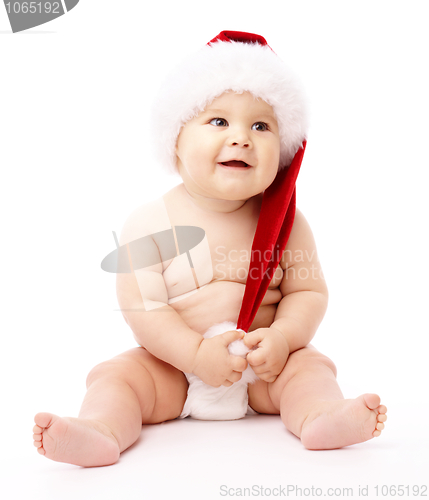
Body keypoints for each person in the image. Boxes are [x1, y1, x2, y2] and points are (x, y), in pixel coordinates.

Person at [33, 31, 387, 467]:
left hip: (264, 370)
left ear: (283, 153)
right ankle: (102, 430)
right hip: (173, 368)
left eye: (261, 125)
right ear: (175, 140)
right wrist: (195, 355)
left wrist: (282, 338)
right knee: (117, 377)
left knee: (311, 369)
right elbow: (143, 307)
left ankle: (319, 416)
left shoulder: (287, 225)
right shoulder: (151, 222)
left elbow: (307, 293)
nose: (241, 138)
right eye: (218, 121)